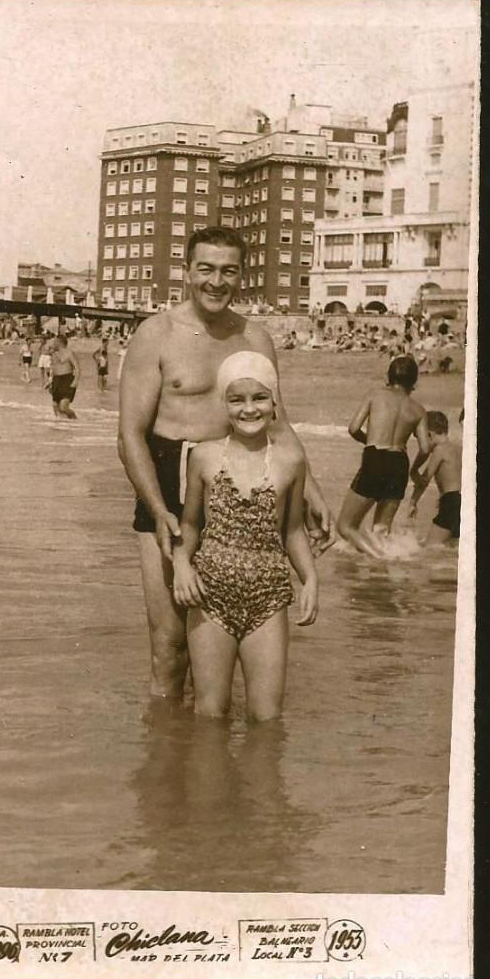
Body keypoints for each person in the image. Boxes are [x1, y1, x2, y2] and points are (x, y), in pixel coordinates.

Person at [118, 226, 334, 698]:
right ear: (187, 271)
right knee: (170, 645)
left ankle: (206, 739)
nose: (216, 282)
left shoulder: (254, 337)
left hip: (240, 484)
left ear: (242, 275)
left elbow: (277, 422)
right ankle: (167, 743)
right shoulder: (155, 334)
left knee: (221, 641)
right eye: (206, 269)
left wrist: (312, 492)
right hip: (169, 480)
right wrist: (157, 508)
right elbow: (130, 434)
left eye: (228, 271)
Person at [172, 351, 318, 721]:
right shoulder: (203, 456)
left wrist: (310, 579)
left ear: (274, 402)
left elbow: (293, 529)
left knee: (267, 718)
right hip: (210, 595)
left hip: (268, 596)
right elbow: (190, 524)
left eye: (259, 398)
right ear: (223, 403)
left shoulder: (291, 461)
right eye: (237, 399)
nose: (249, 409)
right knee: (210, 712)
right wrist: (181, 565)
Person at [337, 355, 429, 557]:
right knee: (381, 531)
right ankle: (382, 565)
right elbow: (425, 448)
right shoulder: (419, 410)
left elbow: (353, 428)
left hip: (376, 457)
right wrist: (414, 471)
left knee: (345, 526)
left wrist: (369, 441)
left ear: (388, 377)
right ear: (414, 382)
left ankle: (377, 558)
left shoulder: (375, 394)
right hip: (400, 463)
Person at [409, 410, 461, 544]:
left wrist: (413, 502)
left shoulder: (439, 450)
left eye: (420, 438)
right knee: (451, 547)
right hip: (463, 501)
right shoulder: (457, 448)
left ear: (429, 435)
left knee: (430, 547)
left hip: (451, 503)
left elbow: (425, 480)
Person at [50, 333, 80, 418]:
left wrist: (75, 381)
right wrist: (50, 381)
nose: (53, 344)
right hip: (56, 380)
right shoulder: (54, 354)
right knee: (55, 406)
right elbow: (53, 369)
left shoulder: (69, 353)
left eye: (54, 342)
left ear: (59, 343)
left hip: (67, 379)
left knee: (63, 407)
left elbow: (77, 367)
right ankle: (62, 424)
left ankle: (75, 420)